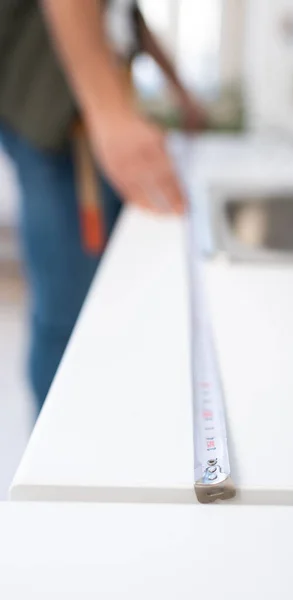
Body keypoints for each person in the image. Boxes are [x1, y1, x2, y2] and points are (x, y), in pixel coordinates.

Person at [0, 0, 206, 416]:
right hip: (56, 126)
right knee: (66, 310)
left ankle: (89, 428)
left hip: (88, 125)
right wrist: (110, 114)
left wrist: (179, 91)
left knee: (104, 293)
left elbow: (126, 15)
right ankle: (55, 460)